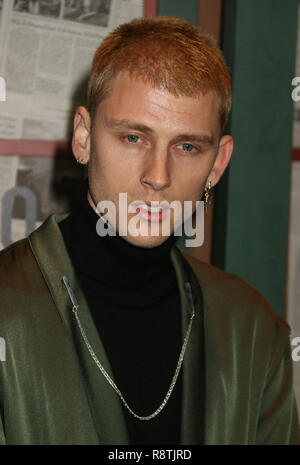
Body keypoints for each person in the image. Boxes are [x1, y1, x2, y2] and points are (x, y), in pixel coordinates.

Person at [0, 16, 299, 445]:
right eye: (133, 138)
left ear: (217, 164)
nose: (158, 176)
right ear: (83, 138)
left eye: (187, 146)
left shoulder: (254, 332)